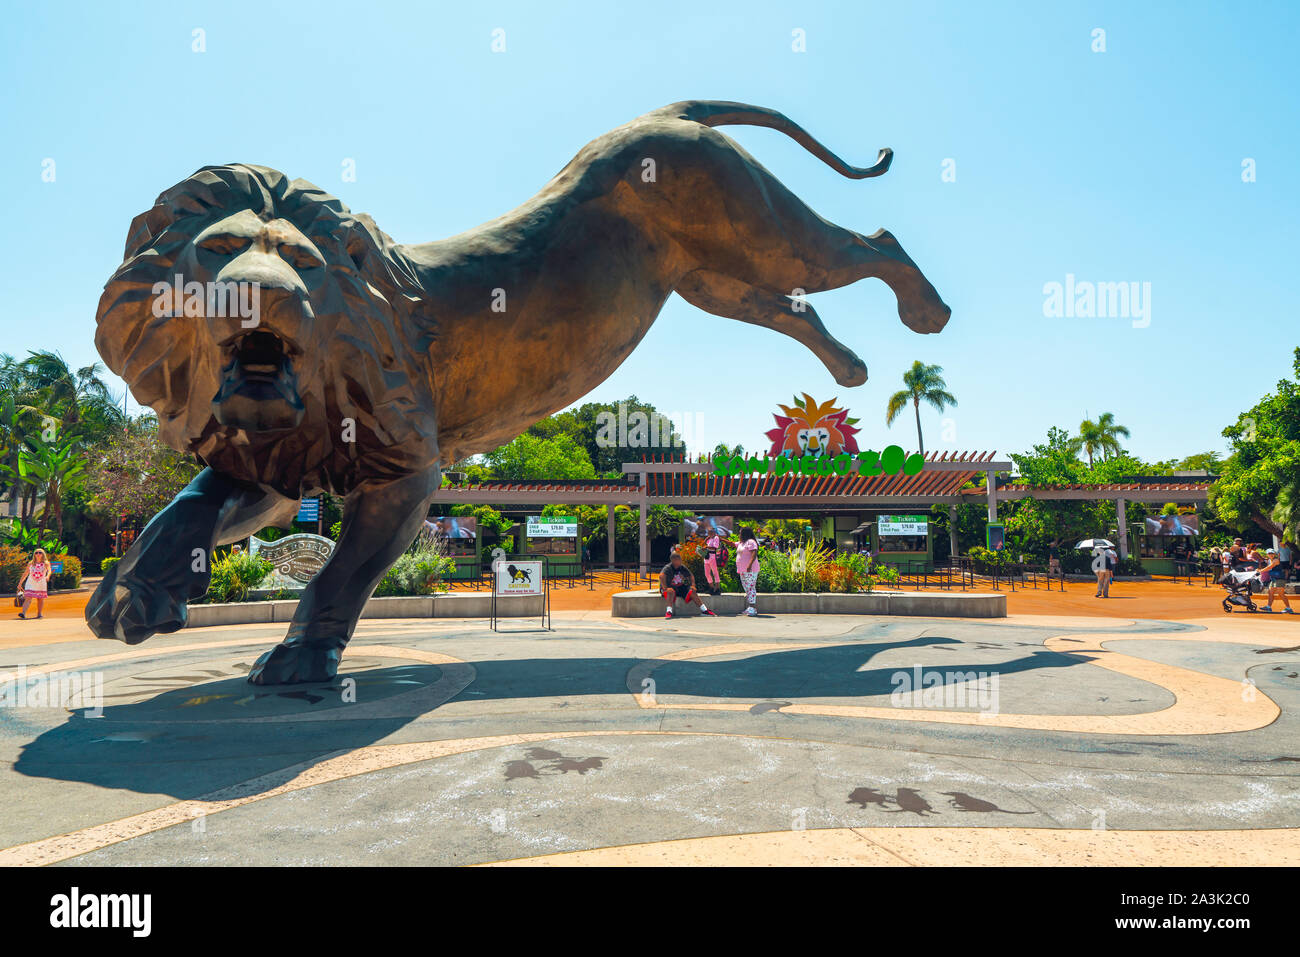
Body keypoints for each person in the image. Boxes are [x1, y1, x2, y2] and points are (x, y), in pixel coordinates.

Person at [659, 548, 715, 619]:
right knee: (671, 591)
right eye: (679, 559)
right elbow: (661, 576)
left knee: (692, 591)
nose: (680, 561)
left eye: (680, 559)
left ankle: (704, 610)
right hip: (669, 587)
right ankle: (669, 611)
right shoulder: (668, 568)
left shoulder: (682, 567)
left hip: (679, 587)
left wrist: (693, 585)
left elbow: (691, 575)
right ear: (674, 560)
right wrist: (665, 588)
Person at [17, 548, 52, 619]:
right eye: (36, 553)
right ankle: (23, 613)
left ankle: (39, 614)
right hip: (31, 582)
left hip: (41, 583)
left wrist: (47, 576)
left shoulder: (46, 563)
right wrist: (20, 583)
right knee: (28, 597)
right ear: (34, 554)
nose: (38, 554)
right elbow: (26, 573)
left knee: (40, 598)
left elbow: (49, 571)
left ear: (43, 554)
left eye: (40, 553)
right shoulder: (31, 563)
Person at [736, 526, 762, 617]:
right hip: (742, 570)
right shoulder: (742, 543)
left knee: (750, 587)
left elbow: (754, 553)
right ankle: (751, 607)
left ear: (744, 534)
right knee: (747, 588)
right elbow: (732, 544)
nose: (739, 534)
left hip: (750, 569)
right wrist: (722, 539)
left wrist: (749, 565)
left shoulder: (751, 542)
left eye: (740, 533)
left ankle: (752, 608)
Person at [1260, 548, 1294, 613]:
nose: (1271, 555)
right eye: (1269, 553)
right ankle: (1268, 607)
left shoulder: (1276, 560)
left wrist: (1260, 570)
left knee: (1281, 593)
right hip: (1273, 579)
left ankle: (1288, 608)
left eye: (1272, 553)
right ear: (1267, 554)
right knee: (1270, 592)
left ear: (1274, 554)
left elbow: (1269, 567)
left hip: (1280, 579)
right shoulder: (1269, 560)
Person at [702, 528, 722, 595]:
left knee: (715, 572)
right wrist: (706, 539)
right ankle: (711, 587)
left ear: (714, 532)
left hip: (712, 556)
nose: (709, 534)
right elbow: (704, 544)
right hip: (707, 556)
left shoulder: (716, 538)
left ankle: (717, 588)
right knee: (707, 573)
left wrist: (706, 547)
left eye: (710, 533)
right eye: (708, 533)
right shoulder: (709, 539)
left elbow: (715, 547)